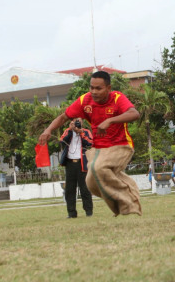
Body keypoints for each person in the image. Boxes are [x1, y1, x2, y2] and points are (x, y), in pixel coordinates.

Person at [38, 70, 142, 216]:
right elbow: (63, 117)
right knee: (91, 183)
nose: (94, 91)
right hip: (99, 149)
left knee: (98, 168)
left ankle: (130, 205)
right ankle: (128, 191)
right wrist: (48, 130)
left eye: (98, 88)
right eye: (91, 87)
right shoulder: (84, 101)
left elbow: (134, 114)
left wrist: (110, 120)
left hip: (121, 146)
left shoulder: (118, 98)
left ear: (108, 88)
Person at [59, 119, 94, 218]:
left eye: (79, 121)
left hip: (82, 163)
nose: (77, 123)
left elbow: (90, 143)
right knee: (70, 189)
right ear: (72, 122)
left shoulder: (86, 132)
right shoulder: (67, 130)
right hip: (70, 163)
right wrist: (71, 130)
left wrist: (81, 132)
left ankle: (88, 212)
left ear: (82, 122)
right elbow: (62, 141)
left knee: (85, 188)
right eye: (75, 121)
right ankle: (71, 213)